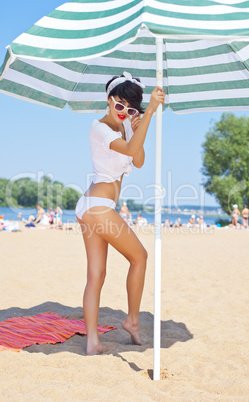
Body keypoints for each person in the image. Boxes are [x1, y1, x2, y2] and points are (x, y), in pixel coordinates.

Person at [75, 72, 165, 355]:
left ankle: (92, 342)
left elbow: (137, 160)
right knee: (139, 257)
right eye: (120, 106)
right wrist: (149, 111)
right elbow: (128, 149)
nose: (124, 113)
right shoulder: (99, 128)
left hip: (95, 207)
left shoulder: (126, 128)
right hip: (98, 206)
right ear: (109, 100)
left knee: (96, 274)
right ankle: (133, 320)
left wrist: (140, 125)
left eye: (131, 109)